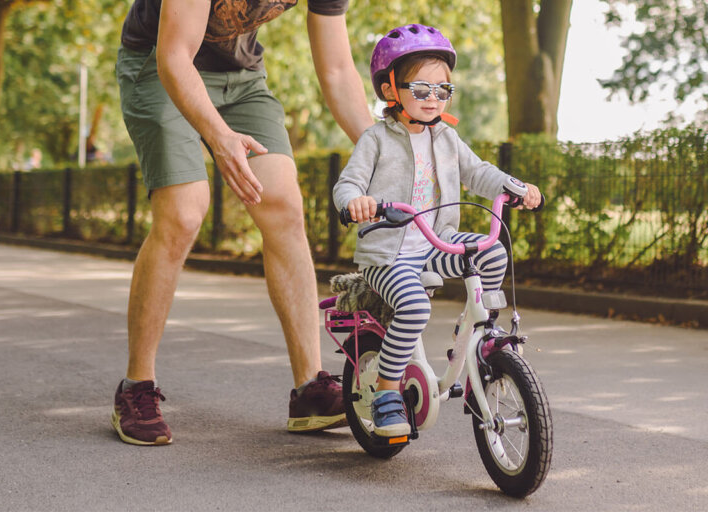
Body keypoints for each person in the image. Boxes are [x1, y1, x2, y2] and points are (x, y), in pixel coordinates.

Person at [112, 0, 373, 445]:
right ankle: (136, 387)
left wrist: (382, 155)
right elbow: (174, 56)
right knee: (184, 211)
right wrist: (218, 137)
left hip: (243, 79)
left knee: (284, 207)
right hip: (160, 65)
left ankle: (310, 388)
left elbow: (337, 71)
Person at [333, 24, 542, 437]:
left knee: (491, 251)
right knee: (413, 308)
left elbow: (478, 173)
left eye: (443, 90)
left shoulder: (446, 137)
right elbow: (348, 184)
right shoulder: (375, 139)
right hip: (388, 252)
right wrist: (355, 202)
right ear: (391, 90)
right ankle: (388, 391)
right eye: (422, 88)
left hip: (435, 243)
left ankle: (476, 333)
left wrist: (513, 187)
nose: (434, 98)